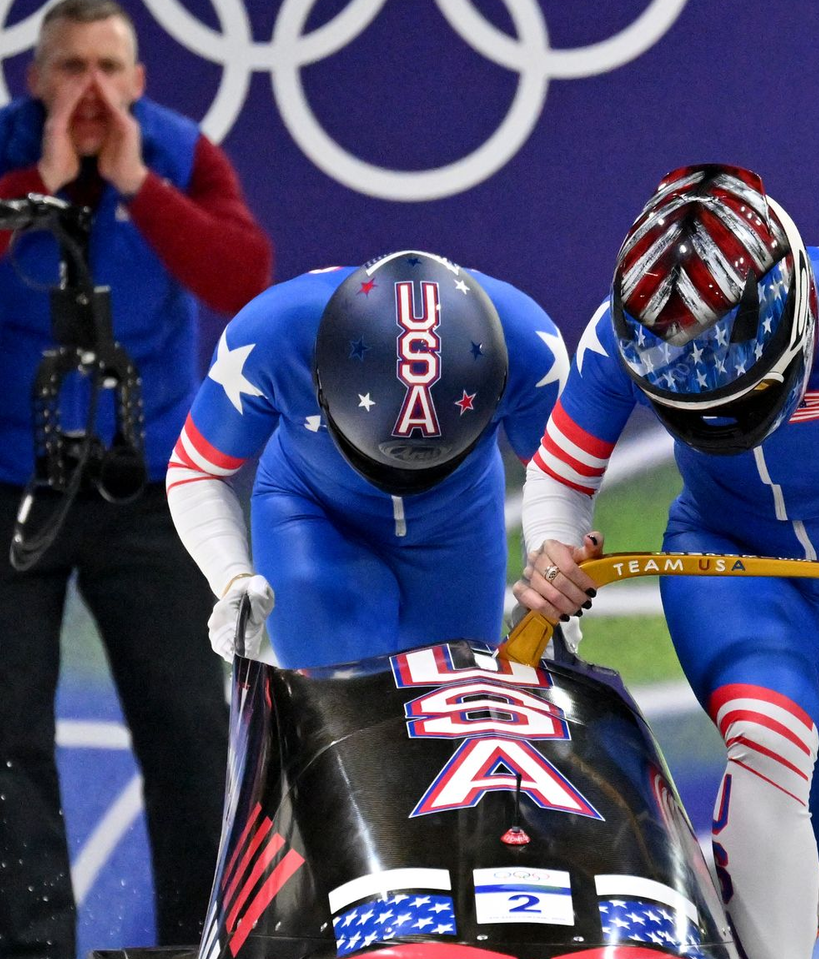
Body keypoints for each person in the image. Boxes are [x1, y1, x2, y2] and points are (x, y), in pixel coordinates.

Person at [515, 164, 819, 959]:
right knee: (770, 739)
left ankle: (732, 898)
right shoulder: (622, 329)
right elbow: (561, 476)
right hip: (727, 558)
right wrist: (551, 548)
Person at [0, 0, 273, 959]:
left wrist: (137, 189)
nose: (91, 88)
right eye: (70, 67)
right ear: (31, 81)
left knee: (190, 732)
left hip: (148, 486)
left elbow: (244, 275)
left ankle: (201, 947)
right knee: (6, 738)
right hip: (13, 482)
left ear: (139, 81)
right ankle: (29, 952)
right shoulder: (7, 150)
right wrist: (39, 184)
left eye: (110, 69)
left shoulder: (182, 153)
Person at [167, 250, 567, 669]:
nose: (401, 475)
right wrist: (231, 576)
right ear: (321, 383)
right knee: (344, 702)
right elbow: (197, 470)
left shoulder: (530, 349)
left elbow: (562, 478)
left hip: (457, 521)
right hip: (314, 513)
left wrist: (553, 579)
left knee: (453, 716)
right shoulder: (272, 335)